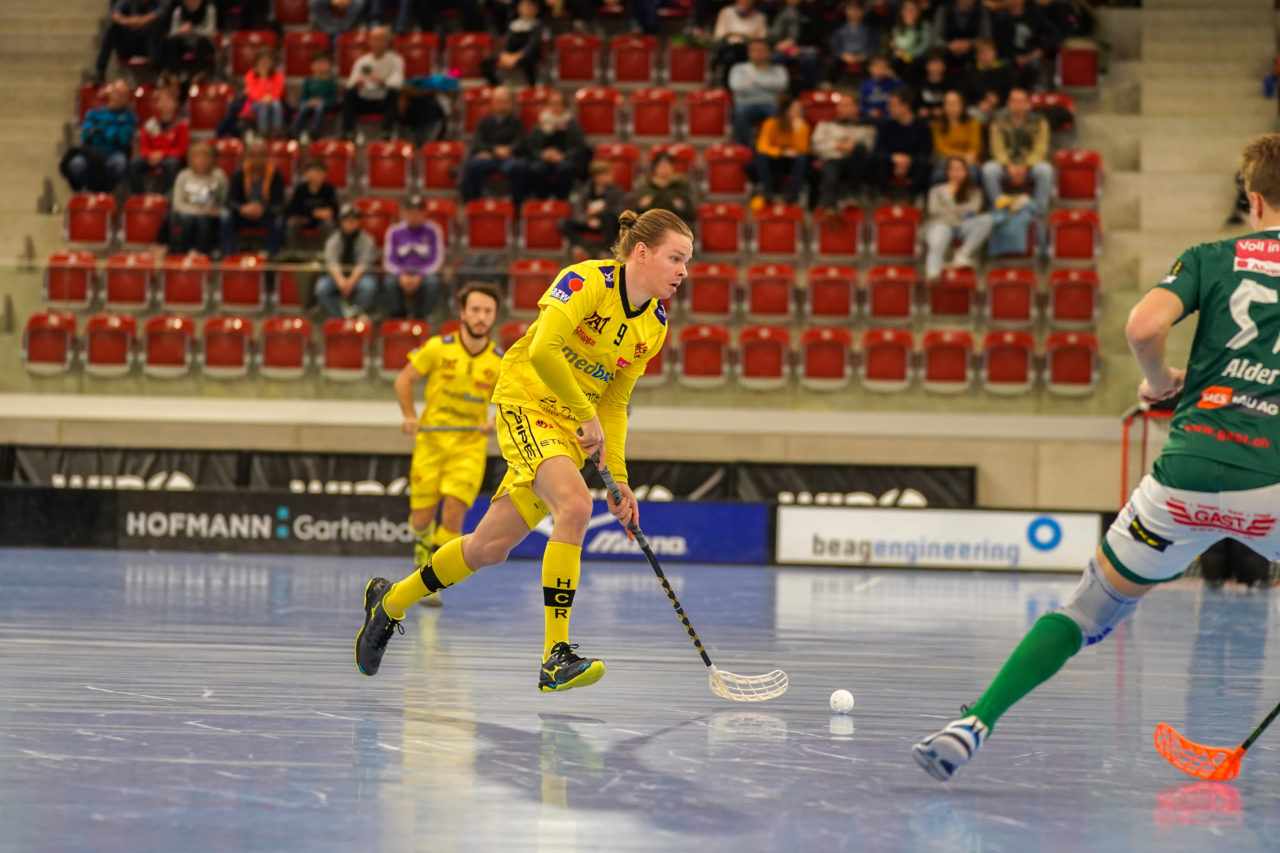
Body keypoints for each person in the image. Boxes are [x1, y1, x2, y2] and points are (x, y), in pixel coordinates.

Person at [910, 133, 1280, 782]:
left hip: (1184, 475)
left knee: (1088, 609)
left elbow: (1142, 326)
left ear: (1254, 199)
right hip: (1271, 484)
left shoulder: (1212, 256)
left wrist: (1162, 381)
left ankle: (975, 721)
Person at [354, 209, 694, 691]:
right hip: (526, 402)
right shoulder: (583, 283)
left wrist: (617, 478)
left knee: (488, 548)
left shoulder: (653, 326)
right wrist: (584, 414)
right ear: (642, 253)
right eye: (676, 258)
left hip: (570, 427)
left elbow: (615, 403)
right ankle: (555, 655)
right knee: (575, 506)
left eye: (688, 261)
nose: (684, 271)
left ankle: (388, 602)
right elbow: (542, 352)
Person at [393, 281, 503, 579]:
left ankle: (433, 575)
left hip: (469, 446)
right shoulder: (437, 348)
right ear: (463, 313)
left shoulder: (499, 361)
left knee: (454, 511)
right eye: (476, 310)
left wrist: (495, 422)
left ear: (495, 315)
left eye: (488, 311)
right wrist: (409, 415)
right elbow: (403, 381)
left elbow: (512, 401)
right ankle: (421, 547)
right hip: (430, 442)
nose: (481, 316)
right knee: (421, 518)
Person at [981, 88, 1052, 211]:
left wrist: (1026, 166)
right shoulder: (998, 122)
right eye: (1014, 101)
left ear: (1027, 104)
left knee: (1045, 170)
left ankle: (1038, 208)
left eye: (1021, 101)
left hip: (1030, 167)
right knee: (989, 169)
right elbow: (997, 148)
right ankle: (999, 206)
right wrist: (1008, 165)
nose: (1017, 105)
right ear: (1009, 104)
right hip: (1006, 166)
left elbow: (1041, 149)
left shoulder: (1040, 122)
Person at [922, 157, 993, 280]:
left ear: (966, 172)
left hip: (963, 226)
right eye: (952, 169)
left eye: (959, 169)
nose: (955, 173)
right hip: (941, 224)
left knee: (987, 219)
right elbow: (933, 210)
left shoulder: (974, 191)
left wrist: (948, 211)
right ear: (947, 172)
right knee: (940, 233)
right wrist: (957, 212)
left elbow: (974, 209)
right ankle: (933, 271)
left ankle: (963, 254)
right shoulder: (936, 190)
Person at [62, 80, 136, 193]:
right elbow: (86, 135)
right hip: (92, 154)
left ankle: (103, 193)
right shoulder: (94, 114)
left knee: (119, 163)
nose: (118, 97)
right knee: (76, 164)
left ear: (127, 99)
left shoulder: (129, 118)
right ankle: (90, 192)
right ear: (111, 93)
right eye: (117, 92)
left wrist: (101, 131)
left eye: (123, 95)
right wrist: (111, 133)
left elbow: (123, 139)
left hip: (114, 154)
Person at [461, 87, 528, 208]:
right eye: (498, 101)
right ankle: (473, 206)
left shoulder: (516, 122)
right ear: (492, 103)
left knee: (517, 167)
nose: (501, 105)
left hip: (510, 159)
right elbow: (478, 143)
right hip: (489, 158)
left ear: (510, 103)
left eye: (504, 101)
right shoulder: (483, 122)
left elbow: (521, 142)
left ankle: (517, 208)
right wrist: (494, 150)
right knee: (472, 165)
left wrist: (509, 150)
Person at [383, 194, 445, 320]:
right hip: (401, 273)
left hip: (425, 274)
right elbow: (389, 260)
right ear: (405, 213)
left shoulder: (434, 230)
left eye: (418, 212)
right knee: (389, 282)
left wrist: (420, 276)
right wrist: (401, 275)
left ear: (424, 213)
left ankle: (421, 318)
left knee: (433, 282)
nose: (414, 215)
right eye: (411, 212)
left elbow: (437, 260)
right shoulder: (394, 231)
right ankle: (398, 318)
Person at [220, 140, 286, 258]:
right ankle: (227, 256)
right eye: (253, 155)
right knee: (226, 216)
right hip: (243, 214)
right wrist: (242, 208)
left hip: (266, 215)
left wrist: (263, 209)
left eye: (261, 155)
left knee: (279, 220)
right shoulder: (239, 174)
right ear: (247, 156)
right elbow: (230, 201)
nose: (257, 158)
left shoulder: (275, 175)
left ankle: (273, 257)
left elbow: (280, 204)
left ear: (267, 157)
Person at [812, 92, 874, 214]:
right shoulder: (825, 125)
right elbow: (816, 146)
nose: (842, 109)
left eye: (847, 105)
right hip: (831, 160)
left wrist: (853, 147)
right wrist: (837, 146)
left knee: (860, 149)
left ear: (856, 107)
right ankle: (828, 207)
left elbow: (869, 148)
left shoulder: (866, 128)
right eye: (840, 105)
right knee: (831, 168)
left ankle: (852, 195)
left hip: (855, 164)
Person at [315, 205, 380, 319]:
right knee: (321, 288)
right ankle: (340, 316)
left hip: (360, 276)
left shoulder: (367, 240)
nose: (350, 223)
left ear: (358, 221)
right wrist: (341, 282)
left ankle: (354, 314)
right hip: (337, 277)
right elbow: (332, 263)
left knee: (368, 286)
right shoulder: (333, 240)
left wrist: (350, 283)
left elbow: (363, 264)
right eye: (346, 220)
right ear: (341, 221)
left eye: (353, 219)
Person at [524, 89, 588, 201]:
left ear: (564, 106)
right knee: (537, 168)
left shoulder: (571, 125)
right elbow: (531, 147)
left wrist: (563, 156)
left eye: (558, 103)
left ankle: (561, 200)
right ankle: (541, 199)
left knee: (566, 168)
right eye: (551, 103)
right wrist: (542, 155)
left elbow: (579, 147)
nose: (555, 107)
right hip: (544, 159)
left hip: (565, 159)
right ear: (546, 105)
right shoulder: (539, 125)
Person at [342, 26, 404, 140]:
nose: (378, 43)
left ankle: (386, 132)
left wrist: (381, 81)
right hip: (364, 99)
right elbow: (350, 82)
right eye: (375, 39)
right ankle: (348, 132)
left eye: (382, 39)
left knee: (394, 93)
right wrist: (358, 82)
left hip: (383, 100)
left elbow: (397, 82)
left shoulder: (396, 60)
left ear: (388, 42)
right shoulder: (362, 61)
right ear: (370, 41)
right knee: (348, 93)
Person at [560, 159, 628, 260]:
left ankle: (607, 251)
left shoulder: (617, 192)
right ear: (597, 177)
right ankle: (585, 248)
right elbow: (577, 211)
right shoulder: (585, 190)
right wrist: (587, 220)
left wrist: (601, 211)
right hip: (589, 222)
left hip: (608, 224)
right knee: (563, 223)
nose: (612, 176)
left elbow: (620, 212)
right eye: (607, 174)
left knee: (607, 216)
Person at [871, 89, 933, 198]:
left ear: (906, 106)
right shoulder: (885, 125)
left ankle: (913, 198)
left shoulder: (922, 126)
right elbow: (878, 150)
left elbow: (925, 151)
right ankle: (885, 197)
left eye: (892, 105)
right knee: (878, 161)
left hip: (914, 164)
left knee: (925, 164)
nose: (888, 108)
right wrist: (893, 157)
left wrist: (908, 160)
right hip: (890, 163)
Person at [168, 141, 227, 255]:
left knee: (204, 220)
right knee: (187, 219)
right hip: (187, 213)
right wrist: (197, 211)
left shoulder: (219, 176)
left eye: (205, 157)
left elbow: (225, 200)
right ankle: (182, 254)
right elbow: (177, 204)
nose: (202, 161)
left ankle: (204, 255)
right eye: (198, 157)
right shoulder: (183, 176)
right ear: (191, 160)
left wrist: (218, 211)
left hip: (209, 215)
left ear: (211, 160)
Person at [728, 38, 789, 147]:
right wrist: (769, 86)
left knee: (779, 111)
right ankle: (743, 149)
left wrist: (754, 81)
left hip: (771, 103)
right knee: (741, 111)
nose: (758, 53)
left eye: (761, 50)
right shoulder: (738, 69)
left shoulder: (779, 69)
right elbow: (738, 87)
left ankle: (773, 147)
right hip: (745, 103)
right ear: (749, 53)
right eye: (754, 50)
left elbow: (781, 86)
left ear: (769, 53)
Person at [753, 94, 811, 206]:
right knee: (761, 157)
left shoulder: (803, 126)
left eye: (800, 109)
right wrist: (781, 152)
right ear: (786, 110)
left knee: (802, 159)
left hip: (790, 162)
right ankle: (767, 192)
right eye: (795, 109)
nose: (799, 112)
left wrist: (798, 130)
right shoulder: (771, 123)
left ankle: (792, 196)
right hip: (774, 160)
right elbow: (762, 146)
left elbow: (803, 149)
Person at [129, 87, 188, 195]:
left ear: (175, 104)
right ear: (157, 104)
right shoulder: (150, 124)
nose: (164, 104)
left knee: (172, 164)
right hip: (151, 157)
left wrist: (162, 154)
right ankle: (139, 196)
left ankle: (166, 196)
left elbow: (181, 149)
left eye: (168, 100)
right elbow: (144, 148)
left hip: (169, 158)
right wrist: (151, 155)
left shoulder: (181, 125)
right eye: (161, 100)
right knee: (134, 163)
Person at [94, 0, 164, 82]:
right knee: (113, 27)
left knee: (158, 26)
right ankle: (100, 71)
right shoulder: (127, 2)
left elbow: (163, 11)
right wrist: (128, 21)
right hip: (128, 45)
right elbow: (113, 14)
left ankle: (154, 72)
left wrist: (142, 21)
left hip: (148, 47)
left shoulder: (158, 2)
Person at [482, 0, 546, 88]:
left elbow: (532, 45)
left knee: (528, 62)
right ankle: (497, 88)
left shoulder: (537, 25)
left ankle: (532, 88)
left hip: (527, 55)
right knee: (486, 64)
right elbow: (508, 44)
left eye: (529, 7)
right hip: (512, 55)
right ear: (518, 8)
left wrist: (516, 56)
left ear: (536, 9)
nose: (526, 10)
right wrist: (504, 55)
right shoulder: (514, 25)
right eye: (524, 6)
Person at [283, 159, 339, 251]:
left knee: (329, 224)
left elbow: (333, 211)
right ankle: (292, 253)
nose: (317, 175)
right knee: (292, 223)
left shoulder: (328, 189)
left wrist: (310, 213)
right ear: (307, 173)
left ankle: (328, 252)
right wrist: (314, 212)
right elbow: (292, 208)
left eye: (320, 172)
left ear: (325, 174)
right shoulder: (301, 189)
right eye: (314, 171)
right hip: (304, 220)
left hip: (321, 222)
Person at [768, 0, 822, 94]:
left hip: (805, 48)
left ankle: (806, 92)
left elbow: (816, 35)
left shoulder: (810, 12)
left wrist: (797, 44)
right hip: (784, 49)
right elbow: (772, 35)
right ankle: (778, 91)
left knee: (809, 60)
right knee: (774, 58)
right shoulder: (777, 10)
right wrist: (779, 45)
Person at [930, 90, 983, 184]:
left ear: (962, 105)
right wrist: (961, 157)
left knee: (974, 173)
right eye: (948, 103)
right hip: (946, 163)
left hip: (968, 163)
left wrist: (966, 159)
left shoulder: (973, 124)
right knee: (937, 175)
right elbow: (940, 148)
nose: (951, 107)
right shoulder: (937, 126)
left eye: (955, 103)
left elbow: (975, 147)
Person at [712, 0, 767, 87]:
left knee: (755, 53)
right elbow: (719, 34)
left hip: (749, 48)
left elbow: (762, 36)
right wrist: (744, 35)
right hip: (729, 47)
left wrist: (738, 34)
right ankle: (728, 87)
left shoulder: (759, 16)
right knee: (732, 54)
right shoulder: (726, 12)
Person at [160, 0, 217, 84]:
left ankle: (197, 75)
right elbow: (172, 33)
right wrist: (181, 30)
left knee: (203, 43)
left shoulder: (209, 9)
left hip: (202, 43)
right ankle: (174, 75)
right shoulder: (178, 11)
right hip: (184, 42)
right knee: (171, 43)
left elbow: (211, 32)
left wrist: (192, 29)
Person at [634, 152, 697, 226]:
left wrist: (682, 207)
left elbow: (691, 215)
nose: (664, 170)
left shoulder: (680, 187)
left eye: (667, 166)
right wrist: (641, 206)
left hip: (675, 228)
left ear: (672, 168)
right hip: (651, 228)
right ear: (655, 168)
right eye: (661, 166)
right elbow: (634, 213)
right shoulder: (646, 187)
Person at [932, 0, 992, 76]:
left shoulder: (981, 9)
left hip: (974, 49)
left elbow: (986, 36)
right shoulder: (944, 9)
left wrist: (970, 43)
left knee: (985, 52)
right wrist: (949, 45)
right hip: (947, 50)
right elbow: (936, 38)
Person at [826, 0, 877, 88]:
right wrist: (843, 55)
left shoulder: (869, 30)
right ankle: (829, 84)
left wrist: (864, 55)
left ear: (862, 11)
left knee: (875, 63)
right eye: (851, 9)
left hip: (863, 57)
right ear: (846, 11)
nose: (854, 12)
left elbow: (874, 45)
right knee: (831, 61)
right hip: (844, 57)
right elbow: (834, 46)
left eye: (857, 9)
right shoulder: (839, 30)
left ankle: (871, 87)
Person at [290, 53, 339, 142]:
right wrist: (310, 101)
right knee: (303, 107)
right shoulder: (308, 81)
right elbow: (303, 98)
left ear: (329, 65)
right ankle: (295, 131)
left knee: (320, 106)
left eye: (323, 63)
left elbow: (333, 101)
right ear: (311, 66)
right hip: (310, 104)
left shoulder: (331, 83)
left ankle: (315, 130)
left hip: (324, 106)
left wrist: (322, 101)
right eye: (317, 63)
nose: (320, 66)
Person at [241, 50, 286, 138]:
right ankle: (263, 132)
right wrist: (263, 78)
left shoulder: (278, 75)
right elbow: (252, 94)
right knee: (263, 106)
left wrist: (270, 98)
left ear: (272, 63)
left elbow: (278, 92)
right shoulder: (250, 75)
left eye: (267, 62)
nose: (264, 65)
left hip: (272, 102)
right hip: (254, 104)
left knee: (275, 104)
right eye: (262, 62)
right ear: (256, 63)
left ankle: (276, 130)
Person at [886, 0, 931, 80]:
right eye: (905, 10)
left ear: (918, 12)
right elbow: (895, 44)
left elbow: (923, 47)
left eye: (911, 10)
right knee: (891, 62)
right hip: (902, 58)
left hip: (917, 59)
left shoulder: (925, 26)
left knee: (914, 63)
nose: (908, 13)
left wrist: (905, 54)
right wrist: (897, 49)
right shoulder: (897, 28)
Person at [964, 38, 1015, 107]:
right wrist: (979, 103)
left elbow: (1013, 93)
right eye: (982, 52)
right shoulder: (971, 73)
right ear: (976, 56)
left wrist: (999, 101)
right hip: (979, 109)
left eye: (988, 52)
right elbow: (966, 97)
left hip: (1003, 107)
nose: (986, 56)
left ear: (995, 52)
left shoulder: (1006, 72)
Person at [859, 56, 905, 122]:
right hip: (872, 118)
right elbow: (861, 105)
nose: (881, 69)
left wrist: (894, 76)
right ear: (870, 68)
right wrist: (869, 111)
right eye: (878, 66)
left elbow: (904, 93)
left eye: (885, 67)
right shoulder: (866, 85)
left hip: (891, 117)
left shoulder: (893, 82)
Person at [915, 51, 950, 121]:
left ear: (944, 66)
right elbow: (915, 106)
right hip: (924, 122)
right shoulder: (919, 85)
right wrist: (920, 111)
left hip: (946, 122)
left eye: (939, 63)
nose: (936, 66)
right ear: (927, 66)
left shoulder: (950, 84)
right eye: (933, 63)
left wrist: (945, 110)